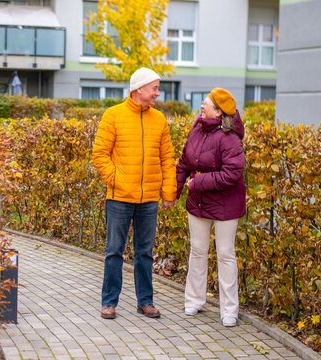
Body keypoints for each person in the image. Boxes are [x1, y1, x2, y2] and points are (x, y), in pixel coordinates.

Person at [92, 67, 177, 320]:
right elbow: (99, 155)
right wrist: (118, 180)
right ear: (139, 89)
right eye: (154, 88)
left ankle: (145, 301)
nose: (157, 94)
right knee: (114, 251)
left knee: (145, 252)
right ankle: (109, 302)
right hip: (119, 197)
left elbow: (167, 158)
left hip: (149, 199)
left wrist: (169, 191)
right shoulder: (113, 115)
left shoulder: (159, 120)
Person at [175, 88, 246, 327]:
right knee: (197, 250)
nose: (201, 107)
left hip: (225, 204)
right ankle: (194, 300)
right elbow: (185, 161)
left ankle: (229, 310)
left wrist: (197, 183)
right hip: (199, 202)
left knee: (225, 254)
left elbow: (232, 174)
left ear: (218, 111)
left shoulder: (230, 138)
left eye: (205, 103)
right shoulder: (197, 128)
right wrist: (173, 191)